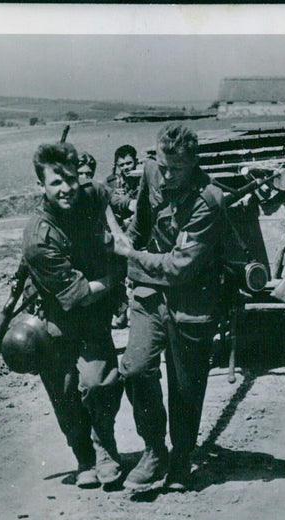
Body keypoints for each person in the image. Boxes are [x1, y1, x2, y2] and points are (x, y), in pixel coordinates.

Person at [109, 123, 224, 493]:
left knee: (186, 387)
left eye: (175, 168)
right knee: (135, 368)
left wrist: (132, 258)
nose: (166, 174)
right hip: (149, 295)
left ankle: (182, 457)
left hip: (190, 300)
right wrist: (130, 257)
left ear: (192, 164)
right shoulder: (152, 172)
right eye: (163, 164)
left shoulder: (208, 201)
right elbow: (142, 223)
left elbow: (179, 267)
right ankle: (155, 448)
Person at [21, 142, 123, 488]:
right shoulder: (38, 236)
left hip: (93, 316)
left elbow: (105, 195)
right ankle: (84, 458)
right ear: (42, 187)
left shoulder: (89, 193)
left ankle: (105, 449)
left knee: (99, 383)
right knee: (64, 393)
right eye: (55, 183)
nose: (66, 190)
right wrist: (113, 280)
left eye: (70, 180)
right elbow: (77, 294)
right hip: (54, 318)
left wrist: (117, 230)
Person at [105, 144, 140, 329]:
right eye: (122, 165)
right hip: (119, 230)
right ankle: (121, 311)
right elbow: (112, 200)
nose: (127, 167)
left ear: (136, 162)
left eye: (129, 163)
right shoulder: (111, 182)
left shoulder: (142, 179)